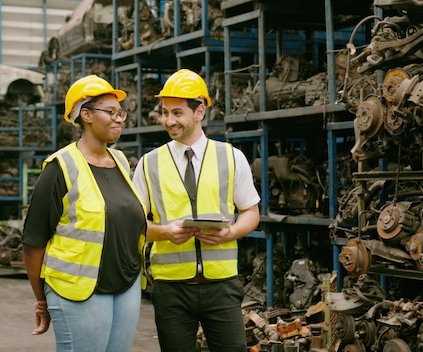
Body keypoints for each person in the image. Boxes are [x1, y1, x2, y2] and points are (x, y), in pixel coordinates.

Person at [132, 69, 260, 352]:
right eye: (165, 113)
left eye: (177, 113)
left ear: (200, 110)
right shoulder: (148, 164)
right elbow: (133, 225)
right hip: (171, 288)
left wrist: (231, 232)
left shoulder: (231, 157)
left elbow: (251, 212)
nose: (169, 121)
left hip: (222, 285)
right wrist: (164, 232)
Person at [22, 75, 147, 352]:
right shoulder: (60, 167)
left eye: (120, 113)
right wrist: (41, 299)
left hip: (125, 284)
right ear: (86, 115)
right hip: (78, 290)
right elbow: (33, 242)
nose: (119, 119)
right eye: (111, 112)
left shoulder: (121, 161)